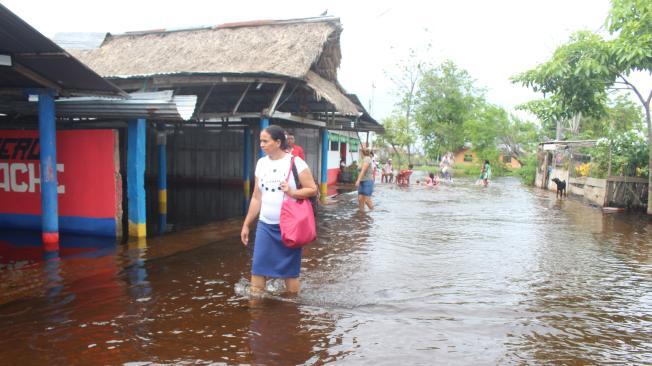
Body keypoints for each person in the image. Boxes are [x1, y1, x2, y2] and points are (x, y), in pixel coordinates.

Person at [241, 125, 317, 295]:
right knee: (258, 268)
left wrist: (292, 192)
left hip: (289, 226)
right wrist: (246, 224)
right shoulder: (261, 163)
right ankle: (256, 308)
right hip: (265, 225)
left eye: (265, 141)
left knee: (290, 273)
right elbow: (256, 197)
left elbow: (312, 189)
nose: (261, 144)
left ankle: (291, 308)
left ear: (278, 142)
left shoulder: (296, 162)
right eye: (260, 141)